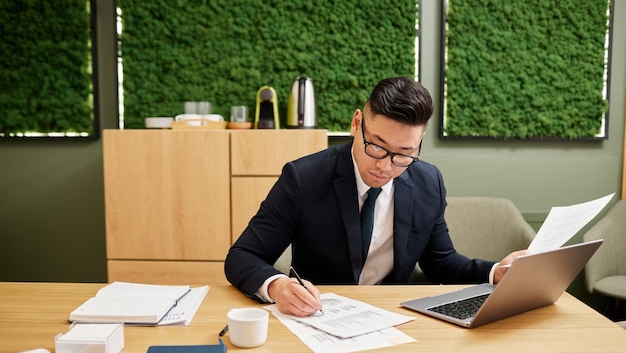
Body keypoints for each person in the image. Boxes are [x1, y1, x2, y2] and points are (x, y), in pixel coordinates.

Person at [225, 76, 526, 316]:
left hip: (393, 318)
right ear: (356, 123)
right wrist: (277, 286)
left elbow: (440, 262)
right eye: (377, 146)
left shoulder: (428, 181)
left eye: (404, 154)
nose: (384, 166)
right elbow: (242, 256)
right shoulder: (303, 178)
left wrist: (495, 272)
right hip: (316, 319)